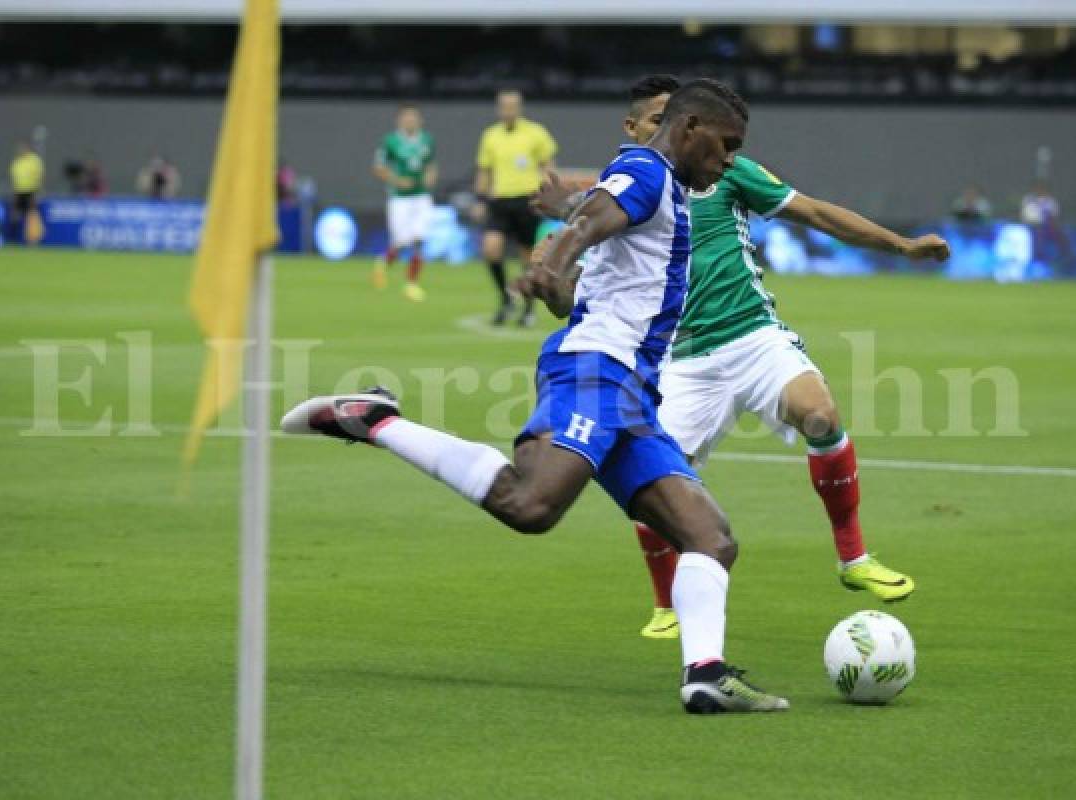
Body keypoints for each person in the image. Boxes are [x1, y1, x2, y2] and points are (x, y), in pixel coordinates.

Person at [283, 79, 789, 714]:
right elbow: (594, 217)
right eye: (725, 146)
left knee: (710, 538)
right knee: (531, 504)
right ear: (689, 130)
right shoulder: (647, 171)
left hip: (630, 393)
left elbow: (590, 288)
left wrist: (558, 279)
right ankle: (375, 420)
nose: (728, 162)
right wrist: (557, 254)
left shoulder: (666, 194)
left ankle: (705, 676)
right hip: (597, 376)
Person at [535, 75, 949, 639]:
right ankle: (667, 605)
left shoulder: (724, 175)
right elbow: (590, 284)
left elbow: (818, 214)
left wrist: (900, 246)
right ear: (635, 129)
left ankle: (854, 560)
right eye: (655, 121)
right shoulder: (625, 191)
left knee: (820, 413)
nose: (670, 131)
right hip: (681, 359)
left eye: (673, 119)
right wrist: (557, 267)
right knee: (657, 485)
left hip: (750, 334)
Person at [474, 89, 557, 326]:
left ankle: (528, 307)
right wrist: (480, 199)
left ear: (519, 108)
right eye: (504, 106)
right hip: (500, 200)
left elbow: (548, 166)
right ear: (498, 109)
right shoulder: (490, 136)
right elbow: (484, 171)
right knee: (491, 249)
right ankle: (505, 298)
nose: (508, 110)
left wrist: (548, 194)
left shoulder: (535, 133)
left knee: (527, 258)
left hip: (527, 201)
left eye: (512, 106)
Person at [372, 104, 437, 303]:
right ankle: (382, 264)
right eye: (406, 117)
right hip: (399, 198)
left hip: (421, 197)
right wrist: (397, 180)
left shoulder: (427, 140)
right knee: (400, 242)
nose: (410, 121)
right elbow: (378, 168)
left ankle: (411, 284)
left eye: (413, 117)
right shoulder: (390, 142)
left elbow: (430, 164)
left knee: (418, 239)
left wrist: (430, 176)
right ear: (399, 121)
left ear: (420, 120)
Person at [8, 141, 44, 245]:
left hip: (31, 191)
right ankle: (13, 239)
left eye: (23, 148)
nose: (21, 150)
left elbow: (39, 176)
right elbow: (14, 179)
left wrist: (38, 192)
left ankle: (32, 240)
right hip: (19, 192)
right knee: (15, 215)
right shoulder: (17, 162)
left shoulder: (34, 160)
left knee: (31, 216)